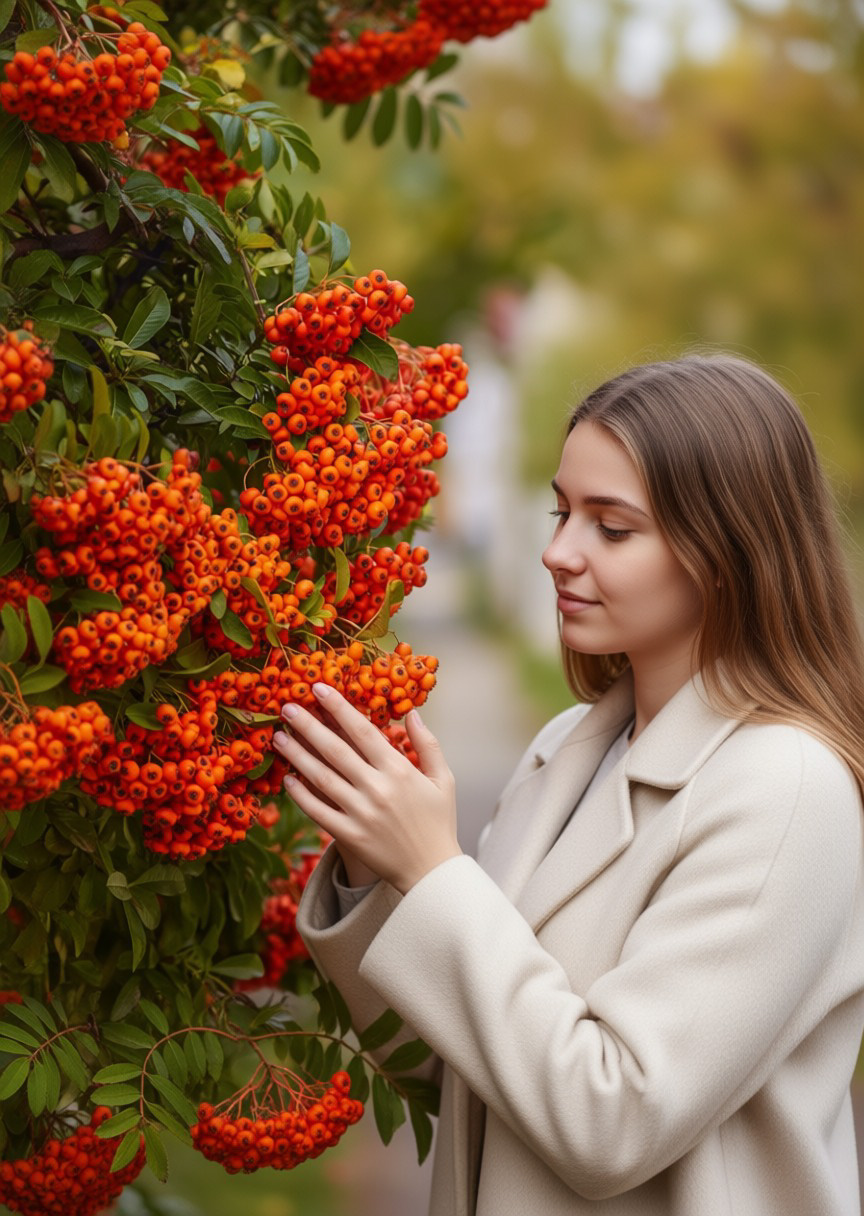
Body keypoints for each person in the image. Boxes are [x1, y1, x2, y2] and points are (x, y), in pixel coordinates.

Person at [277, 353, 864, 1216]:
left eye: (611, 528)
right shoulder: (570, 750)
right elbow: (462, 1070)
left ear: (729, 551)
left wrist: (435, 872)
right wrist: (380, 868)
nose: (557, 552)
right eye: (561, 512)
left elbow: (612, 1121)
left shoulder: (786, 792)